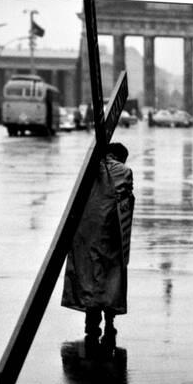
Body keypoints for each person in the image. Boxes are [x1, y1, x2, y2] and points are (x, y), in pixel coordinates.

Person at [61, 142, 134, 348]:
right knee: (112, 277)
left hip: (86, 233)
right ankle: (110, 321)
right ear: (121, 157)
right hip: (111, 235)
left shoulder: (89, 169)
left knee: (90, 276)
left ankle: (91, 323)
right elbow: (126, 200)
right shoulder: (124, 171)